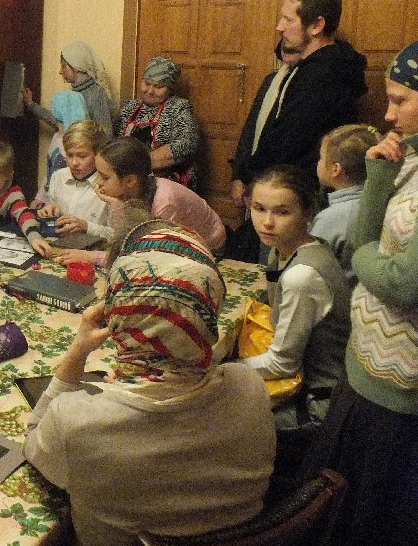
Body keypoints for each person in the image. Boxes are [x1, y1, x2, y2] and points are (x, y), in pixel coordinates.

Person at [24, 212, 275, 546]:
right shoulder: (250, 388)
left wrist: (78, 351)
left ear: (115, 312)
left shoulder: (76, 422)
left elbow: (33, 442)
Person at [299, 42, 418, 546]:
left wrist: (369, 259)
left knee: (374, 521)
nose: (387, 115)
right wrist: (380, 175)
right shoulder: (408, 159)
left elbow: (405, 283)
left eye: (400, 100)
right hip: (364, 366)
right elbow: (366, 237)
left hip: (399, 386)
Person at [230, 0, 367, 210]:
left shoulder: (324, 74)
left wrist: (249, 175)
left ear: (317, 25)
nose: (279, 27)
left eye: (288, 19)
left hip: (301, 198)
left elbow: (286, 141)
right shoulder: (312, 68)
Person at [242, 165, 352, 433]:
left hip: (317, 399)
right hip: (302, 377)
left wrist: (226, 367)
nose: (267, 222)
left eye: (282, 212)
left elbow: (283, 363)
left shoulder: (301, 276)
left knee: (216, 416)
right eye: (259, 208)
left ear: (308, 213)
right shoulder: (285, 247)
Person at [116, 55, 200, 188]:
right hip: (130, 177)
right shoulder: (130, 107)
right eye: (147, 83)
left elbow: (186, 146)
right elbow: (115, 142)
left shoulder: (179, 107)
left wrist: (138, 164)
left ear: (170, 89)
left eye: (158, 86)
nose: (150, 91)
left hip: (166, 182)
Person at [310, 123, 380, 282]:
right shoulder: (379, 202)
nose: (318, 163)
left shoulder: (330, 218)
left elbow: (310, 267)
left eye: (321, 157)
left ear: (335, 169)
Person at [0, 139, 51, 257]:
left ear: (9, 175)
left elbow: (24, 214)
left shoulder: (13, 195)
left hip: (2, 246)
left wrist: (34, 237)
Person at [22, 40, 115, 136]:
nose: (60, 71)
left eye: (63, 66)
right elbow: (60, 122)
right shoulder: (74, 93)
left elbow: (106, 135)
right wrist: (31, 105)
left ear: (77, 66)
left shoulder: (96, 93)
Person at [38, 120, 110, 240]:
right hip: (59, 244)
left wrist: (86, 227)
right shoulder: (58, 177)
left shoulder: (108, 185)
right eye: (69, 155)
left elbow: (119, 236)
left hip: (93, 249)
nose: (74, 163)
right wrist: (47, 213)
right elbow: (51, 214)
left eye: (82, 156)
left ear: (98, 154)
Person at [30, 90, 88, 208]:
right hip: (51, 201)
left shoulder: (76, 145)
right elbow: (50, 171)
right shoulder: (56, 137)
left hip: (68, 203)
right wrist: (40, 197)